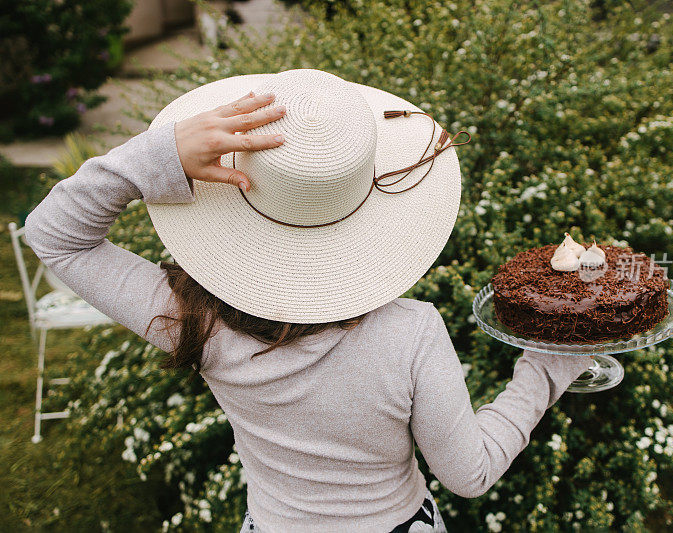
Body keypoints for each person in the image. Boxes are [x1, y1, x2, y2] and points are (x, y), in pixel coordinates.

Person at [24, 69, 592, 533]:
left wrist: (157, 158)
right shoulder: (411, 333)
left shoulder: (194, 321)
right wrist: (547, 366)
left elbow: (54, 235)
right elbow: (469, 473)